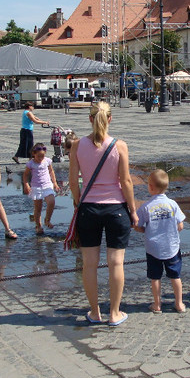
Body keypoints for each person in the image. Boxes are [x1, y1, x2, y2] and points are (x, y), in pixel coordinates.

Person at [69, 102, 137, 326]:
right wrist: (133, 211)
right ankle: (114, 313)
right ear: (110, 119)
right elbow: (126, 182)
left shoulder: (77, 145)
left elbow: (73, 182)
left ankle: (95, 312)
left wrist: (79, 203)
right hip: (116, 208)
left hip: (89, 208)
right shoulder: (120, 146)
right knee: (116, 263)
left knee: (89, 263)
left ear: (90, 119)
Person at [134, 169, 186, 314]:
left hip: (153, 247)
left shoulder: (146, 207)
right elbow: (180, 225)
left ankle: (157, 304)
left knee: (155, 277)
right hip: (172, 246)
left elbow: (137, 226)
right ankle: (179, 303)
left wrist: (146, 231)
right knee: (175, 276)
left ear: (150, 186)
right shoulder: (172, 204)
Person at [23, 142, 59, 235]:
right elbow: (25, 175)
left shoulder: (47, 161)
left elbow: (51, 171)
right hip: (36, 187)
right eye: (38, 156)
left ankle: (47, 219)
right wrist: (26, 185)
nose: (40, 159)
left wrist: (55, 183)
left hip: (47, 185)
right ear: (34, 154)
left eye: (42, 156)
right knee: (38, 208)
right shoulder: (31, 164)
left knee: (51, 202)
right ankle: (38, 225)